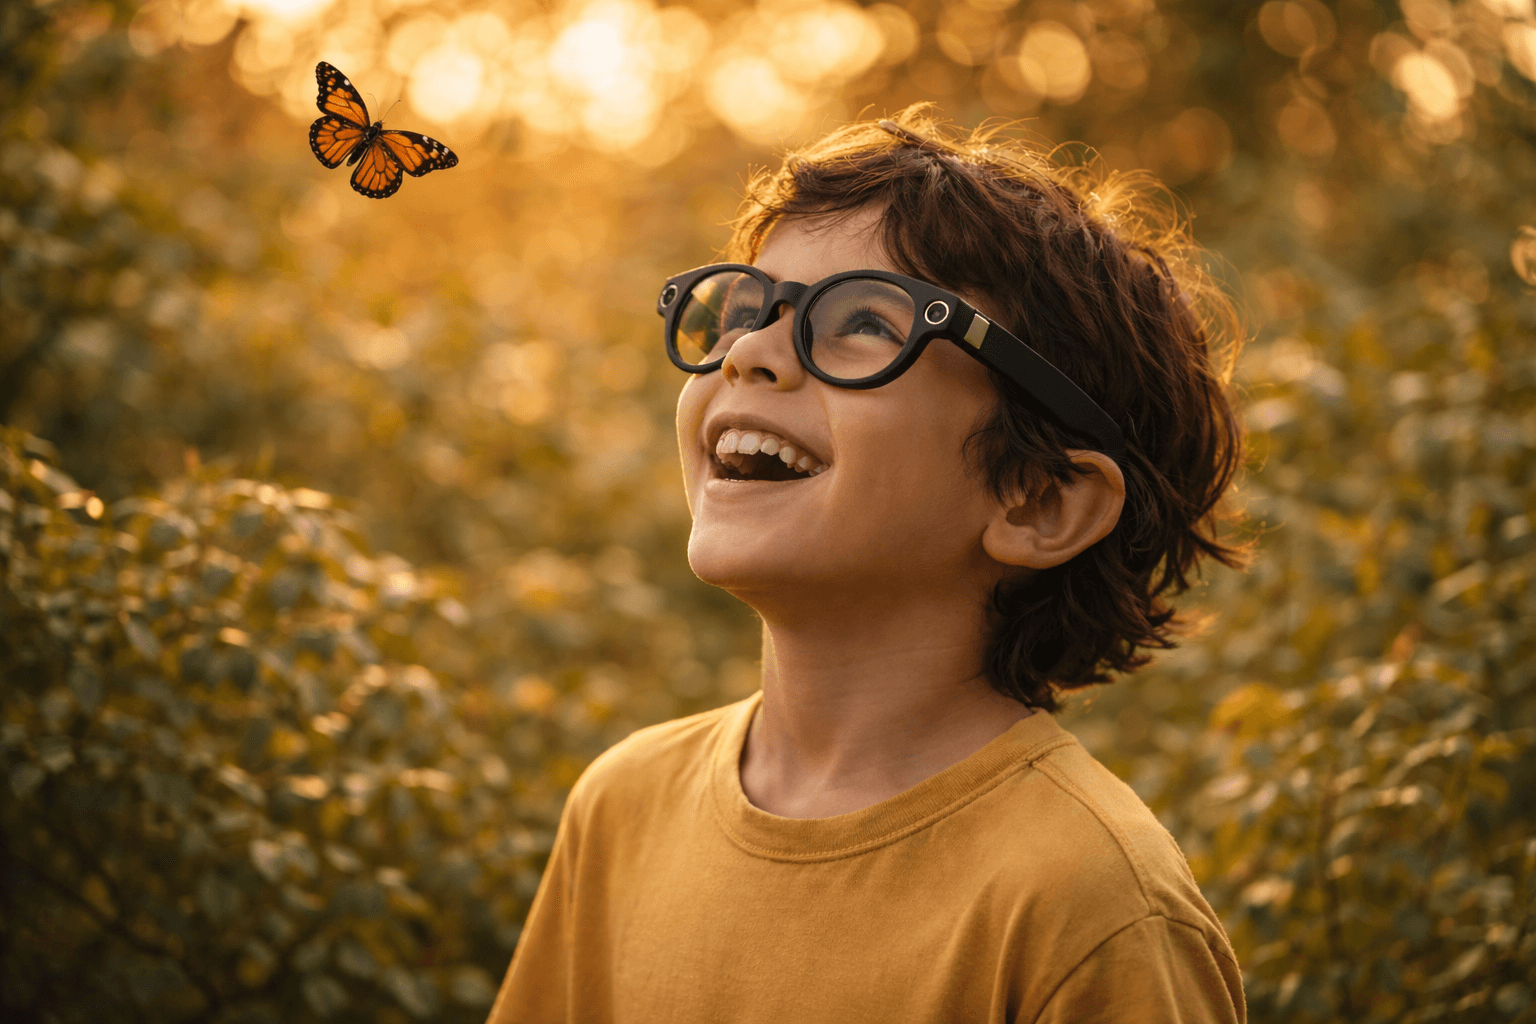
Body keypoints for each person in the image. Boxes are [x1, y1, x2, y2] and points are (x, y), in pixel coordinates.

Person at [487, 107, 1248, 1023]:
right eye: (741, 310)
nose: (753, 354)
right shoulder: (623, 804)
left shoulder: (1088, 904)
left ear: (1041, 502)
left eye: (861, 324)